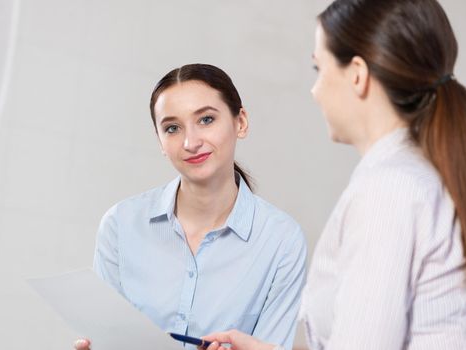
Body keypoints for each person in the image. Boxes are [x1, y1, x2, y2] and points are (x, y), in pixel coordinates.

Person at [202, 0, 466, 349]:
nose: (315, 90)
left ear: (357, 74)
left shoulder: (389, 190)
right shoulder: (416, 175)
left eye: (318, 68)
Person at [73, 63, 307, 350]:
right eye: (172, 128)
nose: (190, 142)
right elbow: (108, 337)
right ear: (160, 140)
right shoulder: (120, 224)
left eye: (206, 120)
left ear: (241, 122)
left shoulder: (281, 240)